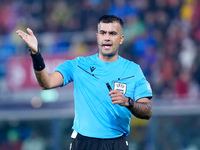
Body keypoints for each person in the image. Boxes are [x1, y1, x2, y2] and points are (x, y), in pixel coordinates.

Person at [16, 14, 153, 150]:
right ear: (97, 36)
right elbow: (46, 83)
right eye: (103, 33)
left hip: (116, 143)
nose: (107, 37)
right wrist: (36, 54)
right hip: (83, 143)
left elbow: (147, 111)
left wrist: (128, 102)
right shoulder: (79, 65)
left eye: (112, 33)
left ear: (121, 39)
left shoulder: (133, 70)